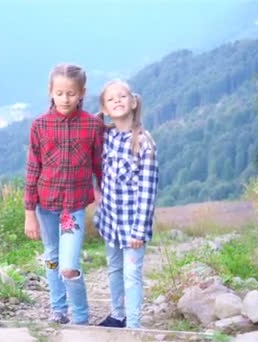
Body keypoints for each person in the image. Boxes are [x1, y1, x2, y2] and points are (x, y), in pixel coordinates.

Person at [24, 63, 104, 325]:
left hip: (72, 209)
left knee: (68, 266)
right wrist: (29, 213)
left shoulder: (92, 126)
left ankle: (80, 316)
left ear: (82, 92)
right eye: (60, 93)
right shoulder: (40, 126)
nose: (65, 99)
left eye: (71, 93)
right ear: (51, 92)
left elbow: (98, 166)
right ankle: (58, 308)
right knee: (51, 258)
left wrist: (104, 197)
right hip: (45, 206)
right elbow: (33, 168)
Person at [94, 79, 159, 329]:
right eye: (111, 99)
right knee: (114, 270)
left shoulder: (144, 142)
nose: (117, 101)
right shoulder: (106, 136)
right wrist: (101, 114)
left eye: (122, 96)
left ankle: (133, 324)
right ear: (105, 108)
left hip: (133, 226)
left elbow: (147, 191)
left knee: (131, 274)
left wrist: (139, 230)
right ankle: (118, 315)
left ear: (133, 102)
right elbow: (90, 126)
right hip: (110, 222)